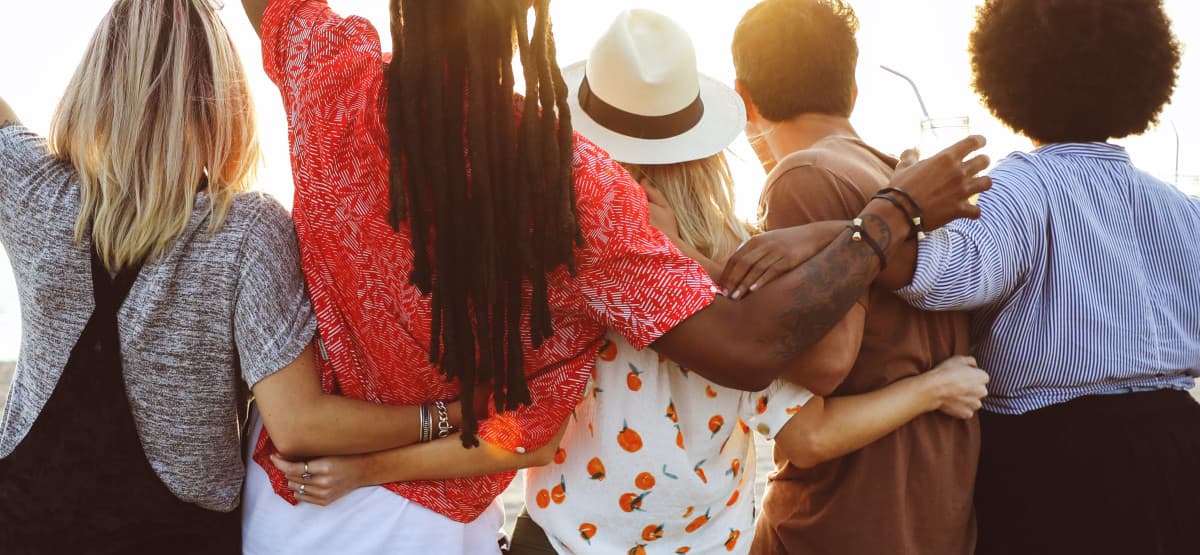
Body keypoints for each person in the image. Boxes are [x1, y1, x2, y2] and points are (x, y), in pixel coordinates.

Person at [237, 0, 989, 552]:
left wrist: (367, 463)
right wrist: (883, 221)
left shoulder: (328, 72)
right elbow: (526, 432)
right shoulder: (577, 205)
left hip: (294, 515)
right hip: (441, 528)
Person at [504, 10, 989, 555]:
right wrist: (930, 385)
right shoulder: (746, 253)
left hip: (565, 541)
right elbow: (811, 422)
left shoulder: (553, 242)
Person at [0, 1, 475, 551]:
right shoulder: (245, 229)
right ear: (221, 99)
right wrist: (448, 414)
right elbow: (300, 427)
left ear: (95, 84)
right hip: (175, 535)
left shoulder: (35, 189)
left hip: (26, 521)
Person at [875, 0, 1200, 553]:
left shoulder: (1022, 188)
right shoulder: (1182, 208)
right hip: (1179, 448)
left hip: (1053, 465)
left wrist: (900, 207)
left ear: (1008, 74)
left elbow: (938, 276)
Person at [730, 2, 979, 553]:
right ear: (853, 90)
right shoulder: (898, 176)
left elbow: (806, 415)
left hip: (840, 519)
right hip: (928, 514)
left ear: (743, 98)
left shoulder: (802, 177)